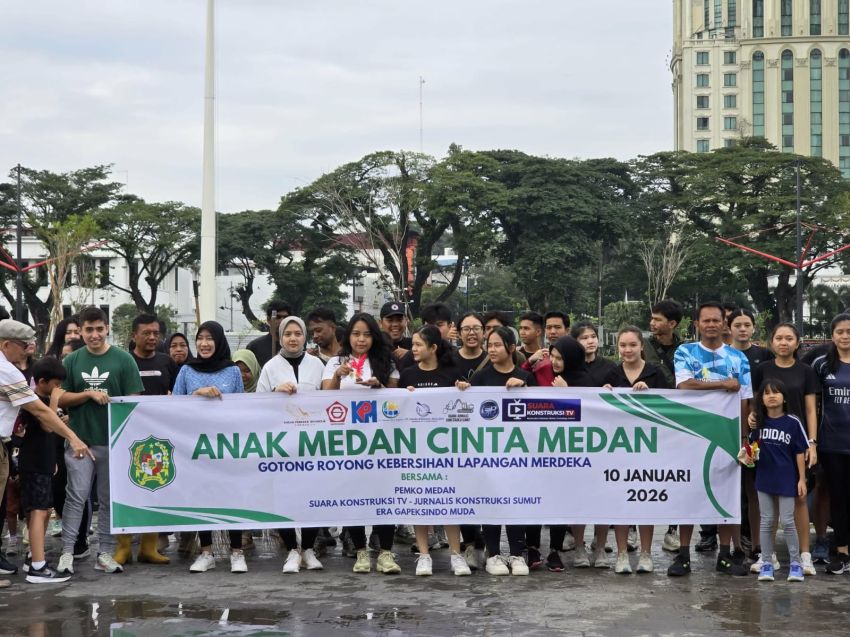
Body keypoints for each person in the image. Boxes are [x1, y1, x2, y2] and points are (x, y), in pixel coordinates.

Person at [55, 307, 143, 577]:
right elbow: (58, 398)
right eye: (88, 329)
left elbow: (133, 402)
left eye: (99, 328)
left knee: (107, 500)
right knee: (76, 497)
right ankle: (67, 553)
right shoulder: (71, 361)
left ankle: (104, 553)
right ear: (80, 331)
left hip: (112, 444)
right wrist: (88, 394)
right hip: (80, 442)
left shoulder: (124, 360)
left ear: (107, 328)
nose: (94, 334)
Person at [1, 328, 91, 585]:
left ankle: (34, 558)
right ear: (6, 344)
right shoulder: (10, 374)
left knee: (38, 511)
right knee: (39, 512)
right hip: (33, 462)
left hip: (36, 461)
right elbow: (43, 419)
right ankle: (38, 566)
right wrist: (73, 436)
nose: (29, 348)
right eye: (24, 344)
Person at [669, 302, 751, 577]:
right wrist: (723, 385)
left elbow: (745, 399)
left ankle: (725, 556)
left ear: (724, 323)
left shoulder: (738, 358)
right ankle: (682, 555)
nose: (712, 324)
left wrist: (744, 438)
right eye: (706, 320)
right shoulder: (685, 351)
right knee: (688, 494)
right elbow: (684, 385)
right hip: (692, 434)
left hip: (728, 436)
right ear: (697, 324)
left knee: (726, 495)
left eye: (717, 320)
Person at [321, 313, 400, 574]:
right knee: (353, 496)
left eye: (366, 334)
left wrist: (379, 386)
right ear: (348, 336)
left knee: (385, 495)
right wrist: (336, 376)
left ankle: (386, 552)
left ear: (374, 336)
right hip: (348, 443)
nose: (361, 339)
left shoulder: (386, 361)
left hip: (381, 441)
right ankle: (360, 551)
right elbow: (323, 399)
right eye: (356, 334)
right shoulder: (335, 361)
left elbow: (396, 400)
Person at [173, 321, 246, 574]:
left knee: (232, 496)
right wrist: (197, 395)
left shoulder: (232, 371)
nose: (204, 343)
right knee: (202, 496)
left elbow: (242, 409)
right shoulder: (186, 371)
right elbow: (172, 408)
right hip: (194, 445)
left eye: (209, 338)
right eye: (200, 338)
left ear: (219, 341)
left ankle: (237, 552)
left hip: (226, 445)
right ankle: (207, 552)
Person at [462, 326, 535, 576]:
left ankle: (516, 554)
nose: (491, 350)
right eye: (489, 345)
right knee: (490, 501)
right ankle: (494, 555)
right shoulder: (480, 379)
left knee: (516, 502)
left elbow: (541, 411)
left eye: (496, 345)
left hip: (518, 454)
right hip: (488, 453)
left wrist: (524, 388)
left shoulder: (525, 377)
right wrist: (463, 390)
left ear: (511, 348)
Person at [256, 316, 325, 574]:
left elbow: (329, 397)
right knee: (283, 496)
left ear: (304, 336)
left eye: (298, 333)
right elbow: (257, 404)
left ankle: (308, 548)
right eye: (288, 334)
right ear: (281, 337)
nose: (293, 338)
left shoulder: (317, 365)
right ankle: (291, 551)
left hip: (312, 442)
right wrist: (274, 393)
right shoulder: (271, 367)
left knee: (312, 495)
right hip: (281, 443)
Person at [399, 325, 470, 576]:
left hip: (447, 451)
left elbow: (464, 407)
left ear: (433, 348)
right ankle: (424, 554)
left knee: (449, 501)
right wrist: (403, 397)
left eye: (418, 345)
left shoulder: (451, 373)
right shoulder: (407, 374)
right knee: (420, 501)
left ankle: (455, 554)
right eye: (413, 345)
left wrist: (463, 389)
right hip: (416, 450)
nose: (414, 349)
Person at [750, 322, 819, 576]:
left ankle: (804, 555)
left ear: (797, 343)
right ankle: (768, 558)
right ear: (771, 342)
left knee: (799, 499)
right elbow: (755, 402)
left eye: (789, 338)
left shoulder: (806, 371)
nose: (783, 342)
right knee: (767, 505)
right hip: (768, 445)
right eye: (778, 338)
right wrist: (751, 420)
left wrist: (812, 442)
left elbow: (811, 409)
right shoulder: (762, 369)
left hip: (797, 442)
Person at [113, 314, 179, 566]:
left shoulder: (167, 361)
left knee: (154, 488)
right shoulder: (122, 361)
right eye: (146, 333)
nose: (152, 337)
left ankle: (149, 548)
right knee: (126, 490)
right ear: (133, 335)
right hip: (126, 439)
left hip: (159, 439)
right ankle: (123, 547)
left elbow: (177, 394)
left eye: (155, 333)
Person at [603, 326, 668, 575]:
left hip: (649, 446)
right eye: (623, 345)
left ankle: (646, 553)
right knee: (621, 501)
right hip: (618, 448)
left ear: (642, 346)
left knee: (645, 499)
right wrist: (604, 395)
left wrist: (650, 394)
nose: (627, 350)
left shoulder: (656, 373)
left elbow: (669, 406)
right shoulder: (611, 373)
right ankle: (621, 554)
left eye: (632, 345)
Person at [550, 333, 611, 569]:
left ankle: (600, 548)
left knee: (601, 502)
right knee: (577, 501)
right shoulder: (553, 381)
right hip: (569, 454)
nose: (555, 362)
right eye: (553, 357)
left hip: (595, 454)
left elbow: (592, 414)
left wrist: (568, 394)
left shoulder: (589, 382)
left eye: (560, 358)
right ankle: (578, 547)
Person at [749, 380, 808, 583]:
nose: (771, 396)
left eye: (776, 393)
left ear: (784, 397)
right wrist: (748, 456)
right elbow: (751, 449)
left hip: (786, 477)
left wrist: (801, 479)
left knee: (788, 521)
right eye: (766, 393)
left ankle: (795, 564)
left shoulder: (793, 422)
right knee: (766, 521)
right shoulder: (757, 422)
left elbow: (800, 452)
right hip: (764, 477)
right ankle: (766, 563)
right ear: (761, 399)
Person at [644, 300, 685, 553]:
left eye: (658, 319)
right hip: (647, 419)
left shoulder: (686, 349)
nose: (652, 323)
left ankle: (673, 529)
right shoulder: (642, 346)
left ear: (672, 324)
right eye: (652, 318)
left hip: (678, 422)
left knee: (677, 475)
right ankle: (636, 530)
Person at [812, 313, 850, 574]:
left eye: (849, 331)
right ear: (832, 335)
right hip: (832, 444)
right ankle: (842, 552)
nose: (845, 336)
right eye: (840, 332)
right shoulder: (822, 364)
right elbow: (812, 404)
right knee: (838, 497)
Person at [246, 300, 291, 368]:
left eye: (285, 317)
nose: (282, 321)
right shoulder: (254, 347)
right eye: (278, 317)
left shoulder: (293, 346)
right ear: (268, 319)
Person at [572, 321, 616, 388]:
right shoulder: (570, 367)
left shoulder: (610, 366)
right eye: (585, 338)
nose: (591, 341)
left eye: (593, 336)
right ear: (575, 341)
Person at [451, 312, 487, 382]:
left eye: (476, 328)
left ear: (484, 332)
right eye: (466, 329)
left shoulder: (492, 361)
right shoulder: (449, 361)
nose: (471, 333)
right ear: (459, 334)